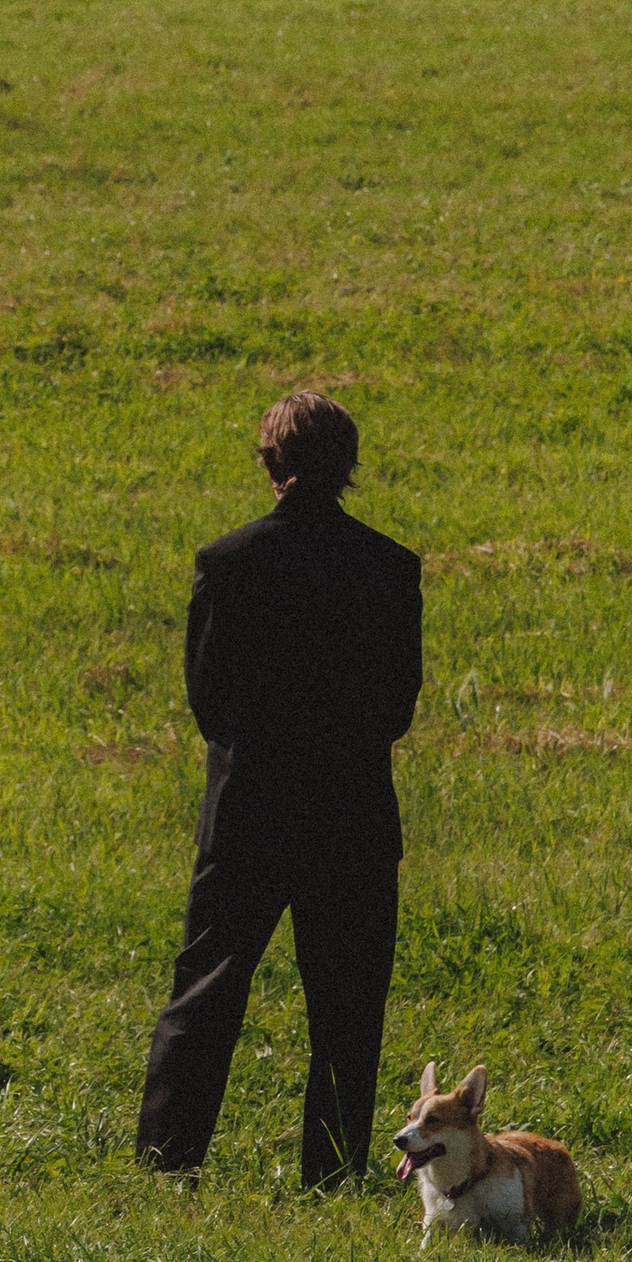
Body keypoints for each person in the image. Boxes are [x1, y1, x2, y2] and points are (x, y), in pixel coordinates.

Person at [135, 388, 422, 1189]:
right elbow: (396, 704)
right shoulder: (391, 568)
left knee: (204, 995)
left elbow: (210, 703)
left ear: (270, 462)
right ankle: (331, 1176)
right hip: (353, 815)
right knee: (346, 1009)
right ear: (348, 465)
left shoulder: (226, 564)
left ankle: (167, 1165)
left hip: (247, 812)